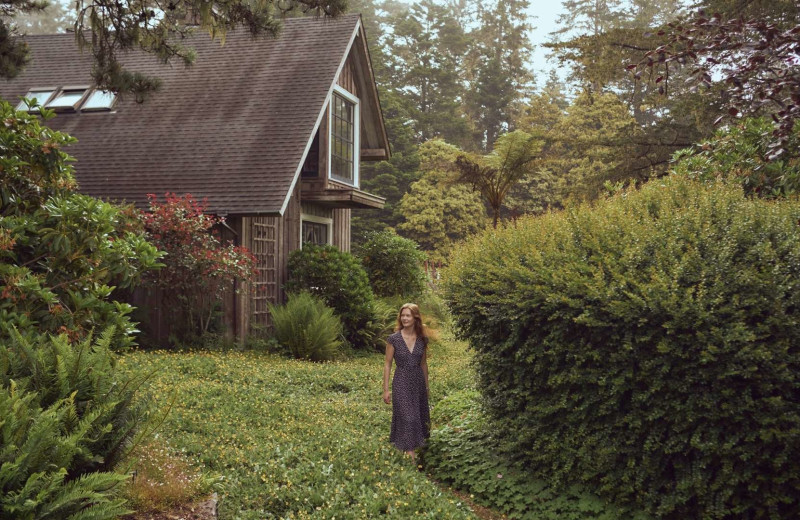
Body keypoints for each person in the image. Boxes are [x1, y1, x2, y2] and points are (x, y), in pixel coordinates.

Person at [383, 303, 430, 461]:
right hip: (401, 381)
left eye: (408, 315)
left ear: (415, 317)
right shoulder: (394, 339)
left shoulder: (422, 339)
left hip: (417, 382)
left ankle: (412, 447)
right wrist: (386, 389)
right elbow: (388, 364)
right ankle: (410, 457)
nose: (404, 318)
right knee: (408, 417)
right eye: (402, 315)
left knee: (417, 416)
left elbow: (423, 364)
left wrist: (427, 386)